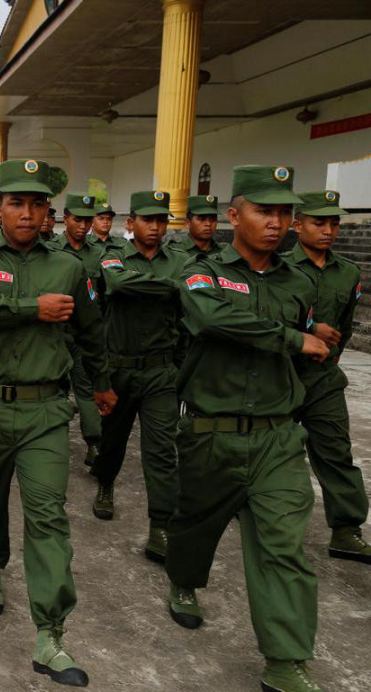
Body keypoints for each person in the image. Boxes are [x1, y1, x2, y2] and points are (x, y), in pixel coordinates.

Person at [0, 159, 115, 687]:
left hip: (45, 409)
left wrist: (103, 384)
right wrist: (28, 308)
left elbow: (90, 331)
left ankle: (52, 631)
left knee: (48, 515)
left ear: (49, 213)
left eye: (36, 204)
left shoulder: (70, 267)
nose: (26, 212)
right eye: (15, 202)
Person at [164, 165, 331, 692]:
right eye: (265, 211)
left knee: (283, 546)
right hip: (211, 432)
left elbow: (306, 346)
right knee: (194, 522)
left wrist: (304, 343)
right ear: (233, 215)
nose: (277, 223)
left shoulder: (300, 282)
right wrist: (291, 337)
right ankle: (184, 581)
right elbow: (214, 320)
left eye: (286, 213)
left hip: (278, 438)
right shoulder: (200, 272)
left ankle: (285, 663)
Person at [90, 190, 187, 564]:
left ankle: (160, 524)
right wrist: (171, 288)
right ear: (131, 224)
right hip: (119, 368)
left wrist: (158, 286)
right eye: (148, 220)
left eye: (162, 221)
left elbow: (186, 301)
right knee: (112, 439)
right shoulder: (113, 256)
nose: (156, 227)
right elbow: (117, 285)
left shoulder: (178, 261)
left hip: (161, 372)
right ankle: (105, 482)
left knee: (162, 451)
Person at [284, 190, 370, 564]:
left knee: (336, 452)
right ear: (297, 224)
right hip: (280, 377)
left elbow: (346, 325)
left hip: (323, 381)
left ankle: (346, 529)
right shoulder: (278, 267)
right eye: (319, 222)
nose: (329, 230)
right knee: (273, 453)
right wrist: (307, 328)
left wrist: (330, 355)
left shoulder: (349, 271)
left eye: (334, 223)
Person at [48, 193, 104, 466]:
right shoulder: (49, 250)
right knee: (55, 392)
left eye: (87, 220)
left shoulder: (101, 253)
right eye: (77, 219)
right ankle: (52, 445)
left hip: (84, 335)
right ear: (65, 218)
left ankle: (94, 443)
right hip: (55, 334)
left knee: (86, 391)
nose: (83, 226)